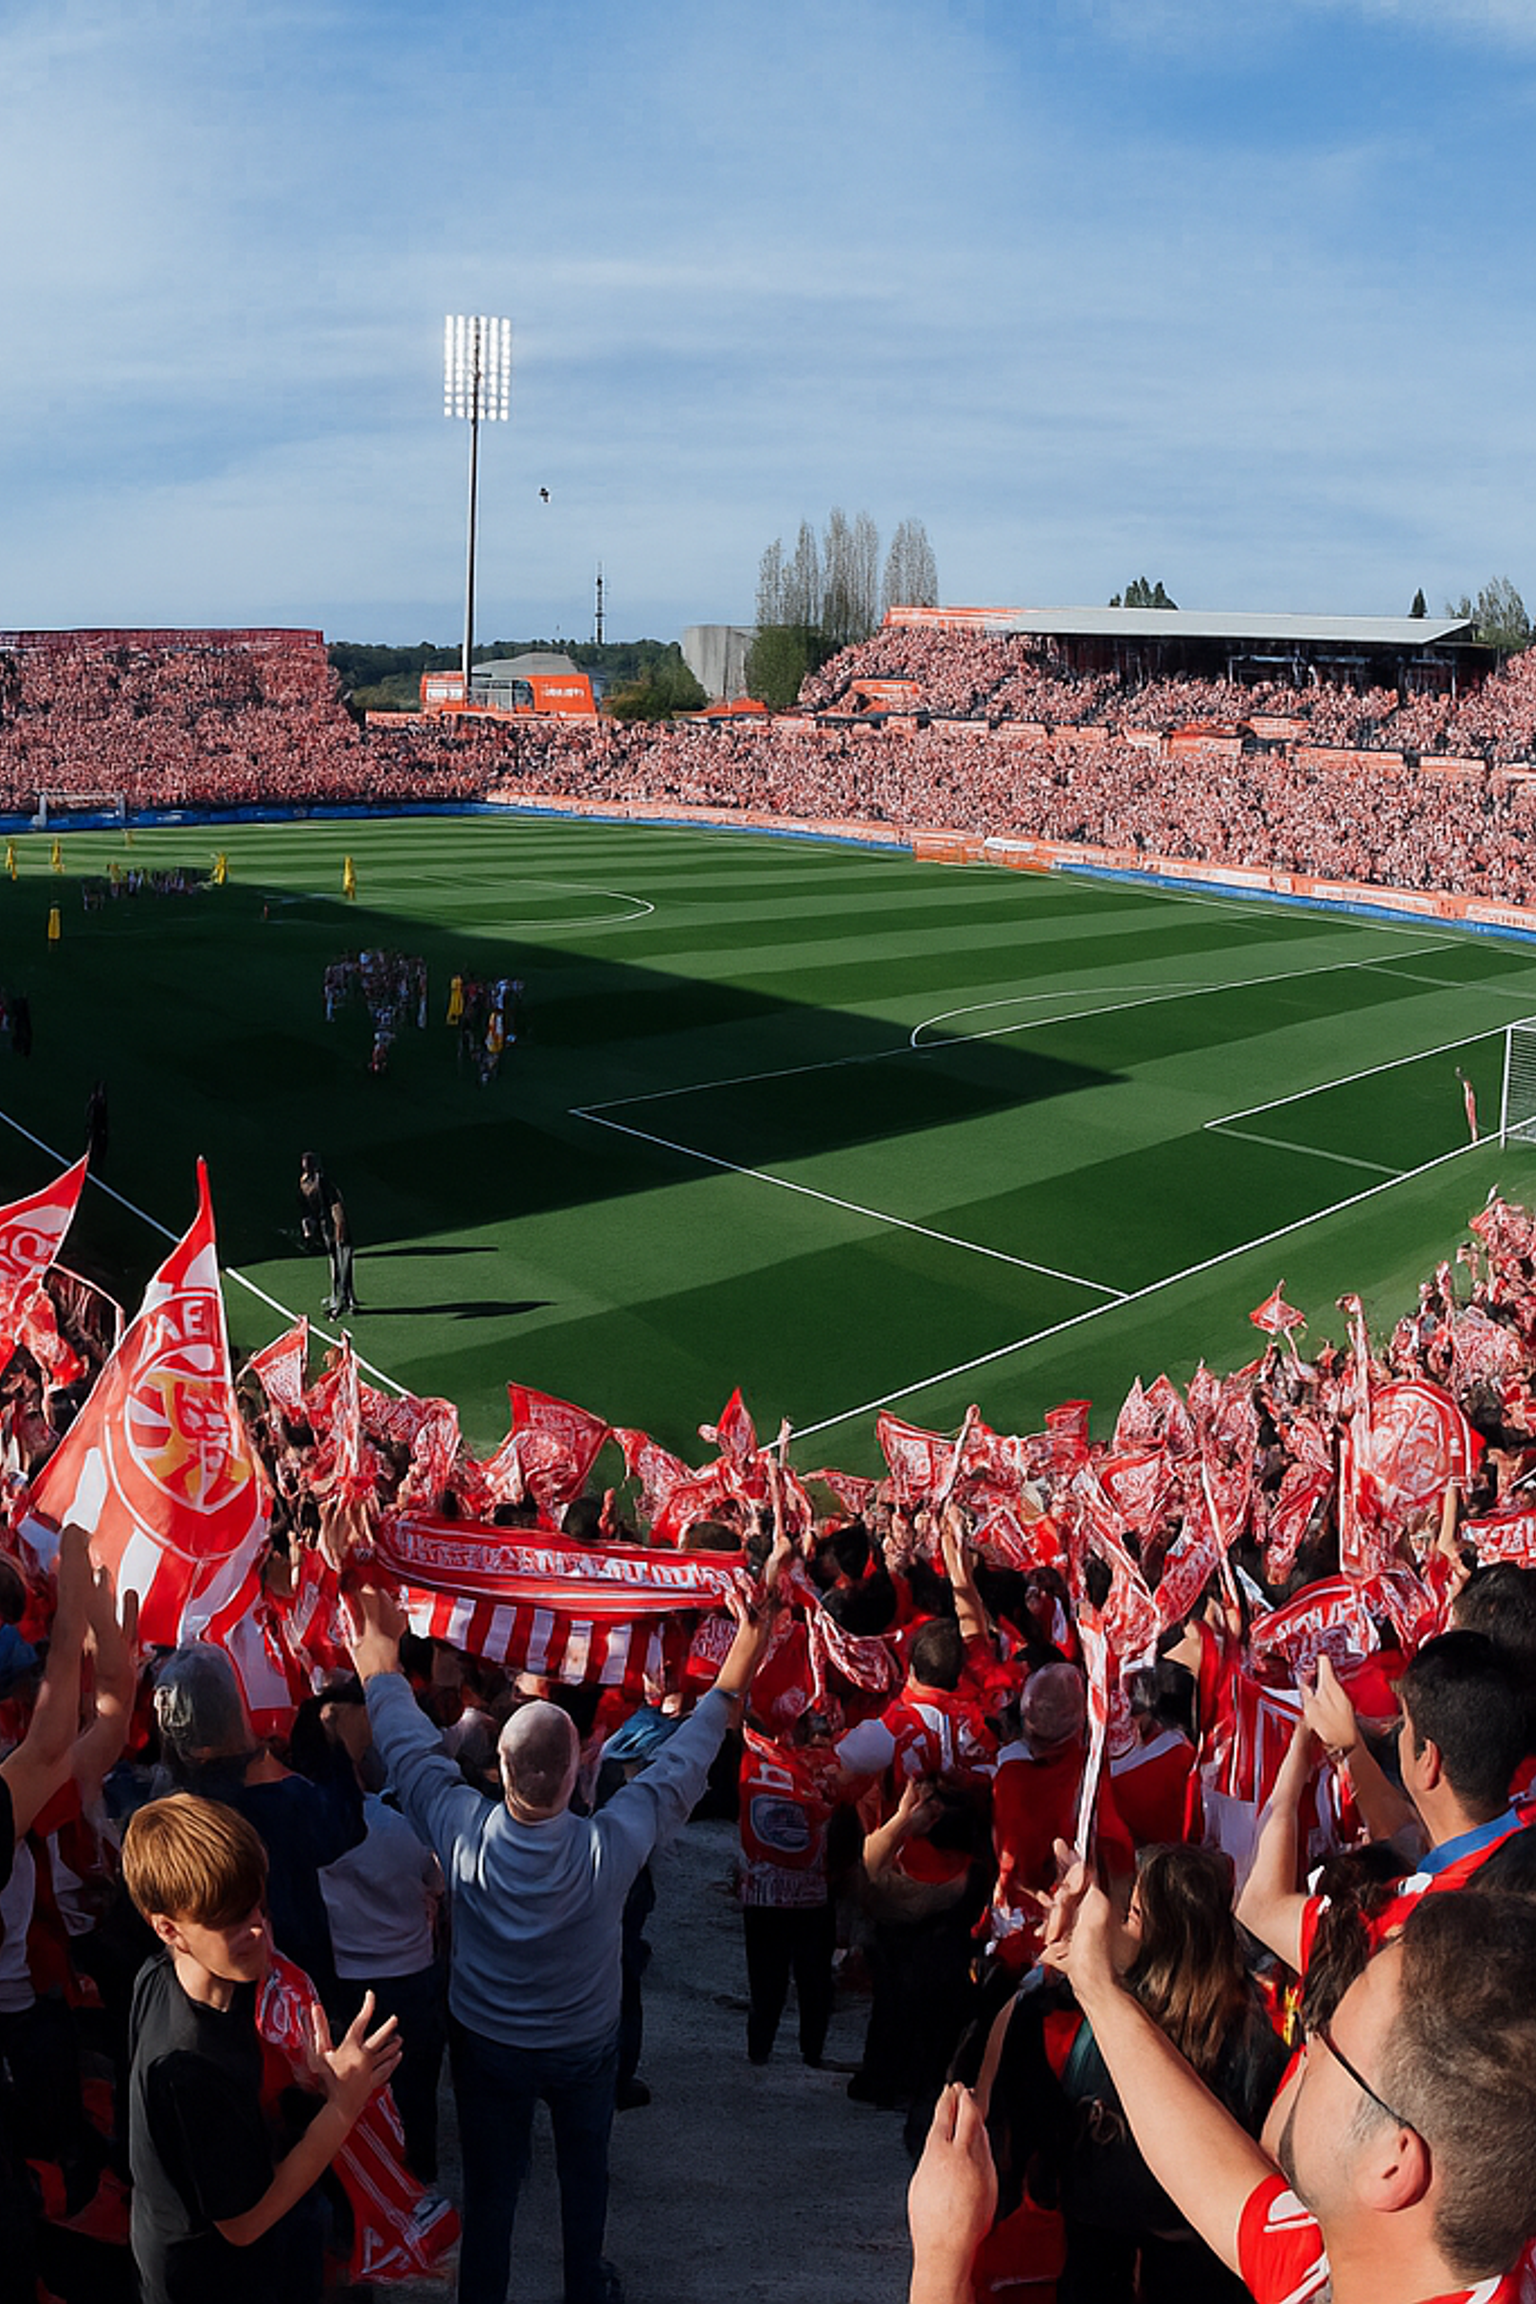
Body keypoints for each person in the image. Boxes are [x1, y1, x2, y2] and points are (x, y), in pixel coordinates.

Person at [347, 1577, 774, 2304]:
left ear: (499, 1772)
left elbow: (407, 1750)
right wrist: (743, 1652)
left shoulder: (461, 1827)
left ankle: (485, 2294)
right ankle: (584, 2286)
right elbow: (688, 1756)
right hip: (581, 2046)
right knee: (584, 2178)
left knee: (491, 2191)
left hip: (488, 2044)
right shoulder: (610, 1843)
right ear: (579, 1770)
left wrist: (379, 1666)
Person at [1043, 1857, 1536, 2304]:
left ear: (1392, 2163)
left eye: (1328, 2038)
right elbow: (1217, 2180)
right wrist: (1094, 1981)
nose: (1306, 2044)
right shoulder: (1362, 2257)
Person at [122, 1792, 401, 2304]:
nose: (258, 1930)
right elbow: (244, 2224)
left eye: (259, 1906)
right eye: (232, 1922)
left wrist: (306, 2080)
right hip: (211, 2277)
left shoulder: (163, 1972)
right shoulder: (187, 2065)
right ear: (169, 1928)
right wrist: (342, 2106)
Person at [297, 1152, 358, 1319]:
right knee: (334, 1260)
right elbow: (309, 1209)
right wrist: (309, 1228)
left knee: (343, 1262)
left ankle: (344, 1300)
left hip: (336, 1225)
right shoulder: (305, 1182)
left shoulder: (322, 1181)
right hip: (326, 1225)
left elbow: (335, 1204)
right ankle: (339, 1297)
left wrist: (339, 1228)